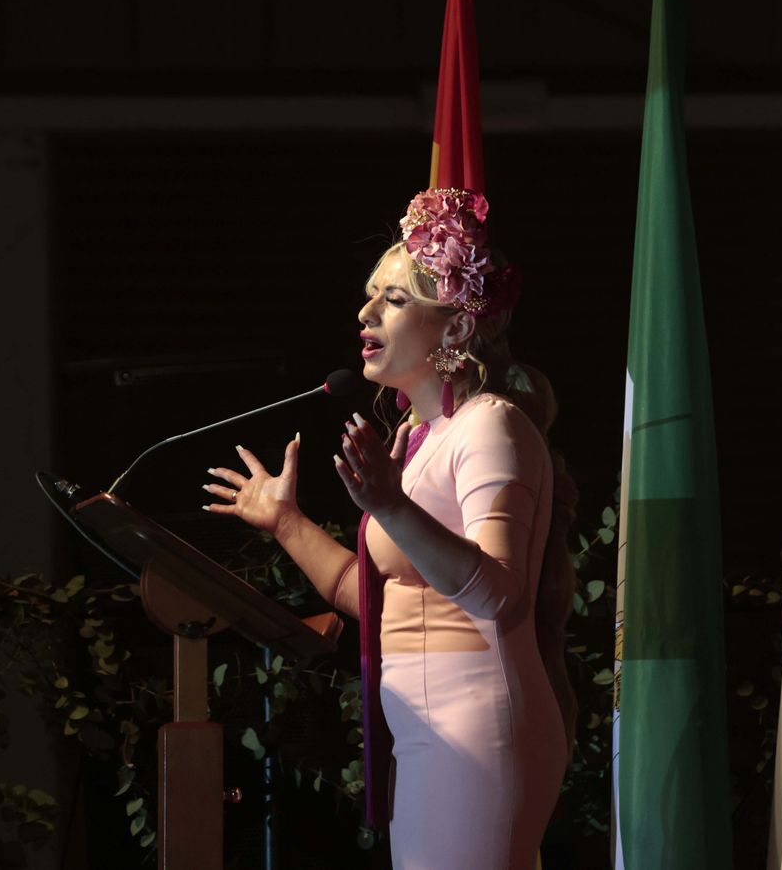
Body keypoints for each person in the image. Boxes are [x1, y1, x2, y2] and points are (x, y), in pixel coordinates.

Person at [201, 188, 576, 869]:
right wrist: (285, 522)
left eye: (394, 299)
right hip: (426, 725)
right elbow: (374, 594)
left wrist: (392, 504)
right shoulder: (422, 438)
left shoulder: (490, 426)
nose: (365, 313)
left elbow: (501, 595)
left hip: (479, 722)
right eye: (370, 295)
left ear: (456, 329)